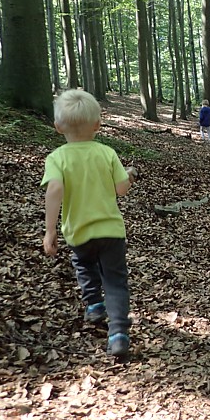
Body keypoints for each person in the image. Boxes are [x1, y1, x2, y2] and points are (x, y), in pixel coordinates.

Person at [41, 90, 137, 357]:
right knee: (116, 281)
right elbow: (121, 189)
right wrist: (128, 177)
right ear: (97, 124)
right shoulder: (107, 153)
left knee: (83, 264)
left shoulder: (57, 158)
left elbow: (54, 190)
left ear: (58, 127)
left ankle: (94, 304)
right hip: (111, 230)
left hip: (78, 232)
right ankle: (118, 333)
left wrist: (50, 231)